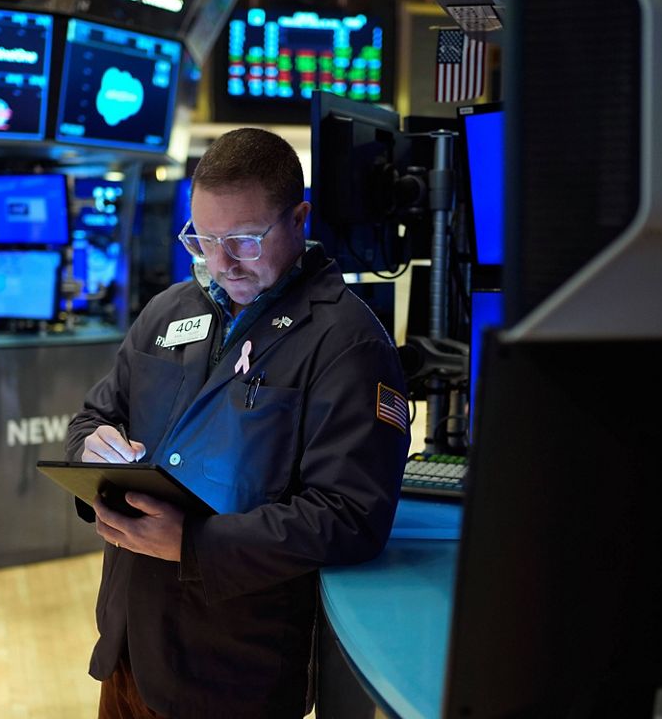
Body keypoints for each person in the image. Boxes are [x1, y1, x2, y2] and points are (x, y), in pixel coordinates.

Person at [64, 128, 410, 717]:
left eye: (245, 241)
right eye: (202, 238)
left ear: (299, 219)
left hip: (231, 667)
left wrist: (195, 544)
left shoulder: (347, 343)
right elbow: (94, 417)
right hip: (128, 645)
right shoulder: (169, 309)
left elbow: (351, 516)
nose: (220, 263)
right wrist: (90, 457)